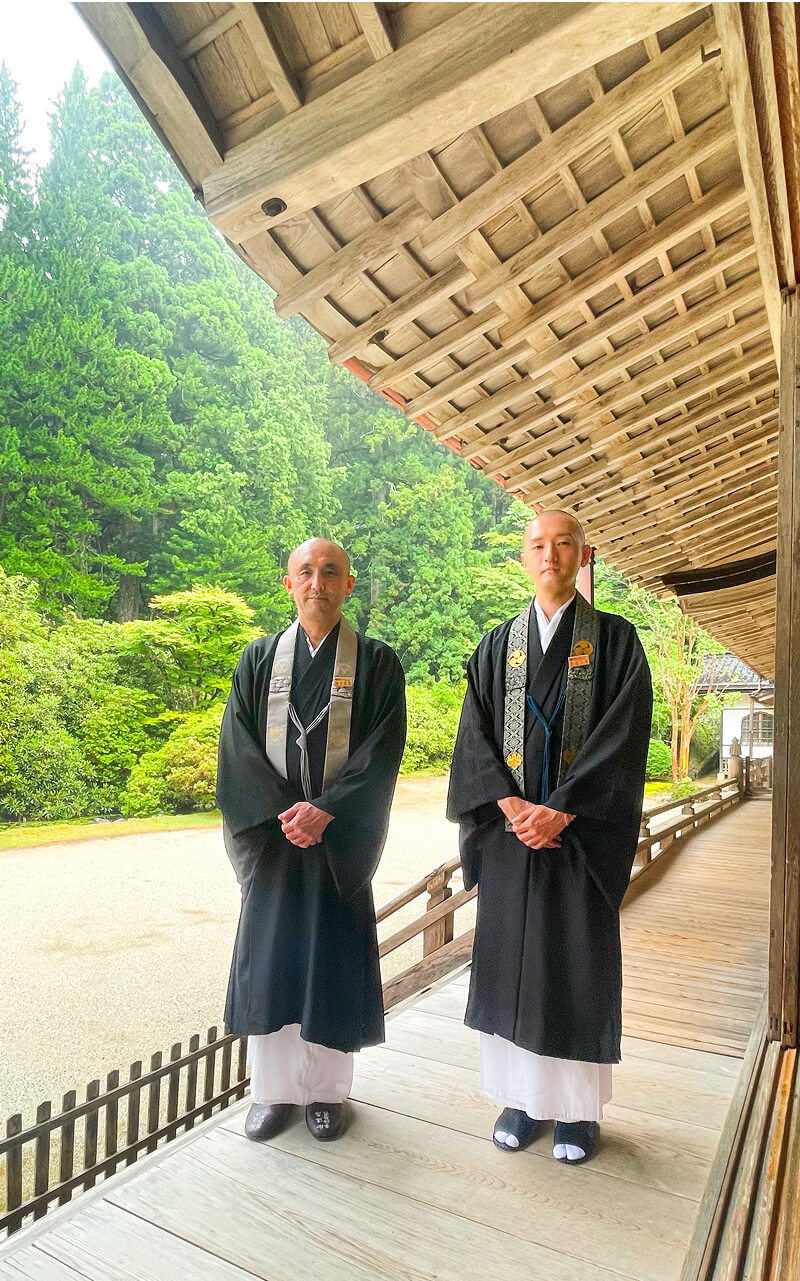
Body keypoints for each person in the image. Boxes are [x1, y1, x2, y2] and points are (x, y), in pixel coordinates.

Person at [447, 510, 652, 1165]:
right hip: (509, 840)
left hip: (579, 842)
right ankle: (521, 1100)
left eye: (564, 543)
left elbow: (621, 742)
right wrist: (509, 804)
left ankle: (576, 1113)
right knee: (511, 966)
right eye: (538, 544)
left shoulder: (616, 643)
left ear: (583, 554)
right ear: (522, 556)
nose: (550, 554)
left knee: (574, 966)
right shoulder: (496, 645)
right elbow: (472, 739)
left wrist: (563, 810)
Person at [217, 538, 406, 1143]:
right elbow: (237, 750)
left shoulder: (378, 664)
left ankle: (326, 1095)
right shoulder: (256, 661)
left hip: (336, 847)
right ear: (287, 584)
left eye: (331, 572)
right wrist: (282, 815)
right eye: (306, 572)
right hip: (275, 846)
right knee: (271, 964)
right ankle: (273, 1094)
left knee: (333, 964)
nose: (317, 582)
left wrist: (327, 812)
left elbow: (381, 753)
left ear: (349, 584)